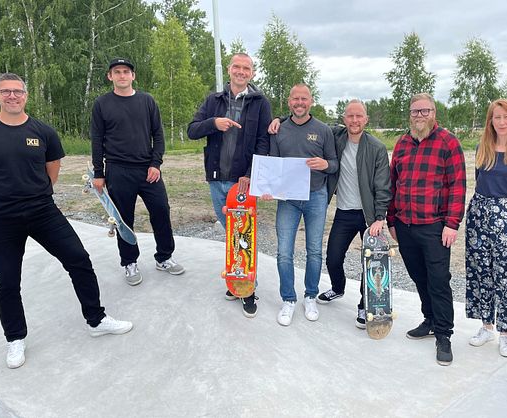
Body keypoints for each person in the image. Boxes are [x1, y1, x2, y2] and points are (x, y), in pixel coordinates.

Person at [0, 73, 133, 369]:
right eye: (6, 92)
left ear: (26, 96)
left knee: (79, 259)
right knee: (7, 279)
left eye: (17, 91)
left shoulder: (42, 131)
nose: (12, 96)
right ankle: (15, 339)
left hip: (43, 211)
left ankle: (96, 319)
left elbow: (52, 169)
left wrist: (37, 193)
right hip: (1, 217)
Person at [269, 99, 392, 328]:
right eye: (350, 116)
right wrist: (280, 120)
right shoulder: (336, 136)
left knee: (370, 262)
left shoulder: (376, 147)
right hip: (344, 212)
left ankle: (365, 306)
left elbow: (383, 185)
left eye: (359, 116)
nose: (354, 120)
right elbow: (303, 119)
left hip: (368, 215)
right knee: (333, 258)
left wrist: (379, 217)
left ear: (366, 119)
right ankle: (338, 288)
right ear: (344, 119)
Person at [187, 53, 271, 318]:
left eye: (247, 68)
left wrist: (250, 173)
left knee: (244, 235)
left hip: (242, 182)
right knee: (232, 234)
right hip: (216, 178)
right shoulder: (214, 100)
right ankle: (237, 280)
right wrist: (214, 123)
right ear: (229, 69)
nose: (241, 71)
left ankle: (248, 289)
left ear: (252, 73)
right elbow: (192, 130)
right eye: (237, 66)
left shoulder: (260, 103)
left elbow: (263, 142)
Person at [387, 93, 466, 366]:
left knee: (438, 280)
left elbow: (457, 186)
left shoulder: (448, 142)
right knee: (419, 277)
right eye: (414, 112)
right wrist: (391, 220)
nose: (419, 116)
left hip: (434, 227)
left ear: (434, 113)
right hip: (406, 225)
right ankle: (429, 319)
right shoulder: (402, 143)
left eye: (424, 111)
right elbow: (393, 182)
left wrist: (452, 224)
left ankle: (444, 335)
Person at [90, 58, 184, 286]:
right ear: (110, 76)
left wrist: (155, 164)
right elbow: (97, 140)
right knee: (124, 220)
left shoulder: (147, 101)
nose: (122, 75)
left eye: (126, 72)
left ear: (133, 76)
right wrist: (98, 173)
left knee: (161, 211)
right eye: (117, 72)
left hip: (148, 170)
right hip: (118, 170)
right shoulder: (102, 104)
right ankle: (129, 262)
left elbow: (158, 135)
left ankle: (164, 257)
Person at [464, 99, 507, 358]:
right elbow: (479, 181)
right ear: (490, 121)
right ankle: (486, 325)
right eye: (497, 117)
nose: (502, 122)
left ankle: (506, 332)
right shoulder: (482, 147)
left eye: (506, 117)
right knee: (481, 270)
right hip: (478, 214)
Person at [265, 83, 338, 326]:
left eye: (303, 99)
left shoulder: (323, 130)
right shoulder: (279, 130)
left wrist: (325, 165)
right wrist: (267, 188)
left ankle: (310, 296)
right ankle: (288, 299)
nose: (299, 103)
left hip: (316, 196)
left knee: (314, 251)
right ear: (289, 102)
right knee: (284, 252)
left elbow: (335, 163)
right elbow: (273, 164)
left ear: (311, 101)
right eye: (295, 99)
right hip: (287, 199)